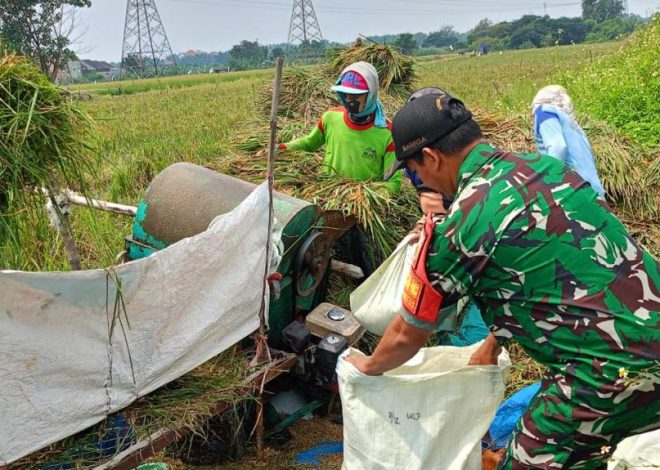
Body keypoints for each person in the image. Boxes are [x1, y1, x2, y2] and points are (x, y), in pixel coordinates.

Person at [346, 89, 660, 469]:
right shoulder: (548, 170)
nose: (419, 179)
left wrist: (367, 368)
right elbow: (542, 273)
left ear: (430, 157)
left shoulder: (462, 226)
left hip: (605, 375)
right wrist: (492, 344)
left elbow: (407, 334)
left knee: (526, 460)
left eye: (415, 170)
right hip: (644, 349)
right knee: (584, 455)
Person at [278, 61, 402, 277]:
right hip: (327, 197)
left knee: (363, 256)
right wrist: (284, 148)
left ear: (371, 94)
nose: (350, 100)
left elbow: (394, 180)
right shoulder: (330, 118)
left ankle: (363, 288)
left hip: (358, 209)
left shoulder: (387, 133)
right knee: (312, 245)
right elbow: (309, 143)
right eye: (345, 95)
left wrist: (375, 194)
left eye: (357, 95)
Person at [532, 84, 606, 198]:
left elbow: (558, 147)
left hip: (573, 189)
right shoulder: (574, 126)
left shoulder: (545, 112)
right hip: (593, 190)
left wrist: (551, 180)